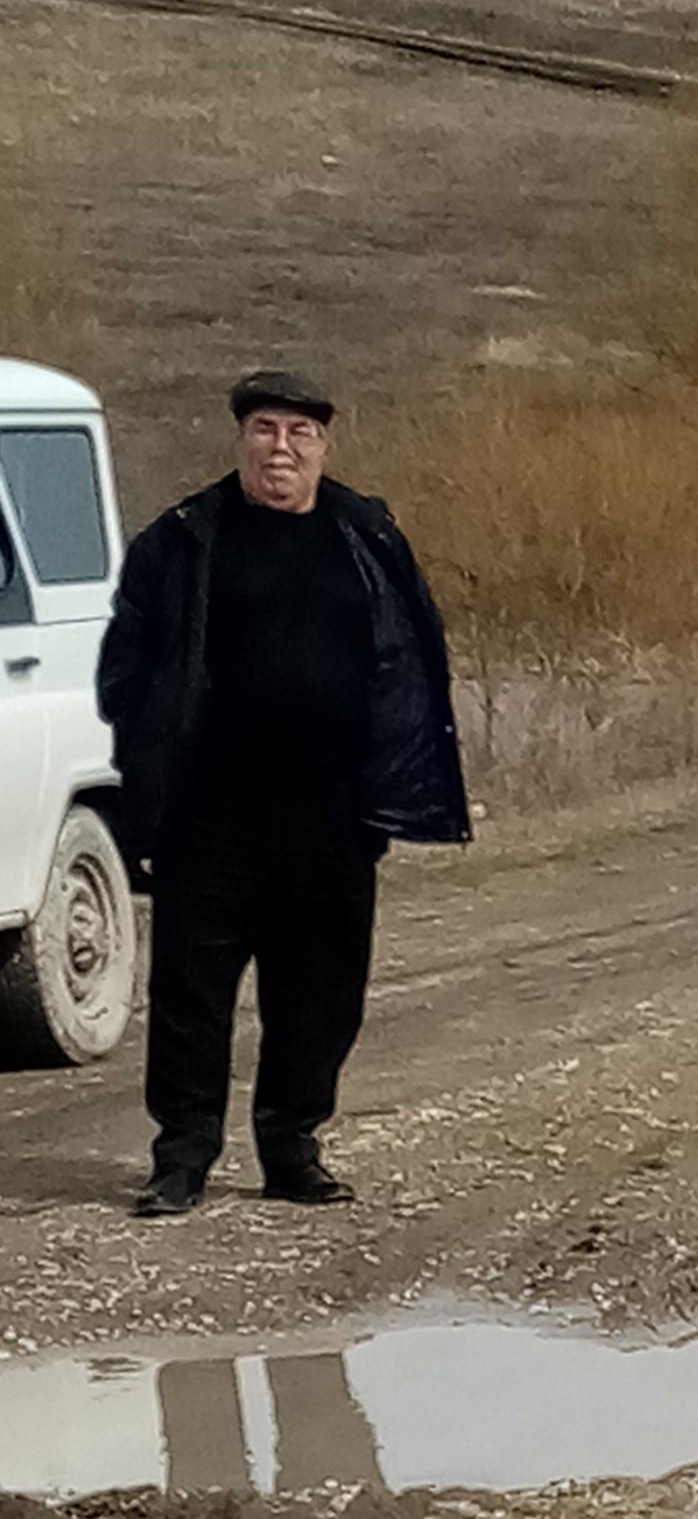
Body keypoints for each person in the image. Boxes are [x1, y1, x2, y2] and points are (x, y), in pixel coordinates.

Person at [96, 370, 471, 1218]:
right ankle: (182, 1158)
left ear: (322, 447)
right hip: (210, 817)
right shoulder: (184, 538)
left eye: (299, 434)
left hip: (333, 818)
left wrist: (393, 784)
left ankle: (292, 1150)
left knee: (320, 994)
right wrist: (151, 758)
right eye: (266, 429)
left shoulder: (365, 535)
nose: (281, 448)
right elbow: (125, 667)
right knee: (191, 998)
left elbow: (413, 656)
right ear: (240, 440)